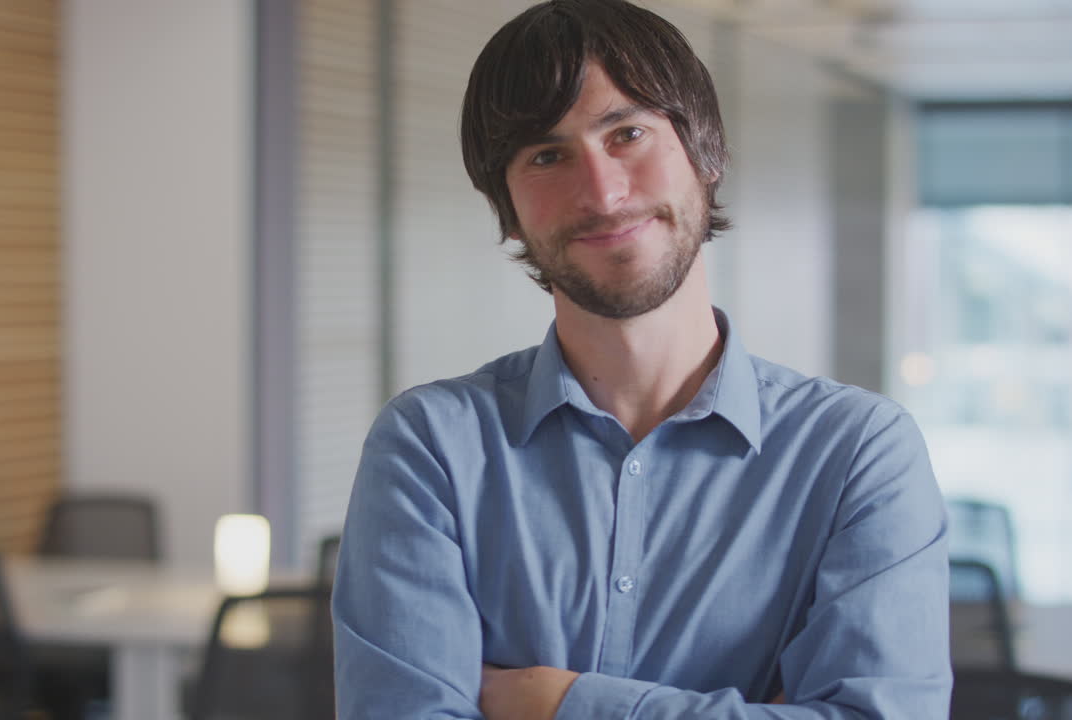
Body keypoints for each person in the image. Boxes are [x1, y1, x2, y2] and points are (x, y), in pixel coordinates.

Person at [331, 1, 951, 718]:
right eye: (546, 156)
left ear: (706, 153)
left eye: (627, 133)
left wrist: (558, 702)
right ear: (508, 210)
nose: (601, 193)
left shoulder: (856, 453)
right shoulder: (433, 446)